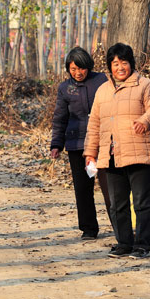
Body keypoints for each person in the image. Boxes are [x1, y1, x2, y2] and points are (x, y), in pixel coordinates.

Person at [84, 43, 150, 260]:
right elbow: (94, 124)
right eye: (115, 63)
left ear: (131, 64)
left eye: (124, 63)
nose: (120, 67)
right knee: (117, 204)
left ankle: (143, 244)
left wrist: (145, 121)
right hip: (111, 156)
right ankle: (124, 242)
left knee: (142, 203)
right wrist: (90, 153)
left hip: (140, 154)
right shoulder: (103, 90)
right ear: (110, 66)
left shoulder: (145, 85)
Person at [50, 46, 112, 239]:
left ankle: (120, 227)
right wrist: (56, 144)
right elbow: (60, 118)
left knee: (110, 188)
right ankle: (88, 229)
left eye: (81, 68)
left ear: (89, 66)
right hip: (77, 145)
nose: (78, 73)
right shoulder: (65, 88)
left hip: (102, 143)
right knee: (83, 189)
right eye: (73, 69)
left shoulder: (102, 81)